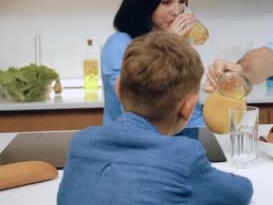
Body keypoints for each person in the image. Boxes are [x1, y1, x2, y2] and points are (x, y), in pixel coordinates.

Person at [58, 31, 253, 205]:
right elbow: (241, 192)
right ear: (188, 107)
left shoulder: (82, 142)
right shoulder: (183, 157)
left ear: (117, 89)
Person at [101, 0, 202, 128]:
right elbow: (137, 107)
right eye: (166, 2)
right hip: (132, 142)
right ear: (145, 3)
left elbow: (190, 108)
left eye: (182, 1)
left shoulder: (181, 41)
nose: (177, 11)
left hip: (181, 135)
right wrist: (168, 44)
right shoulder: (119, 44)